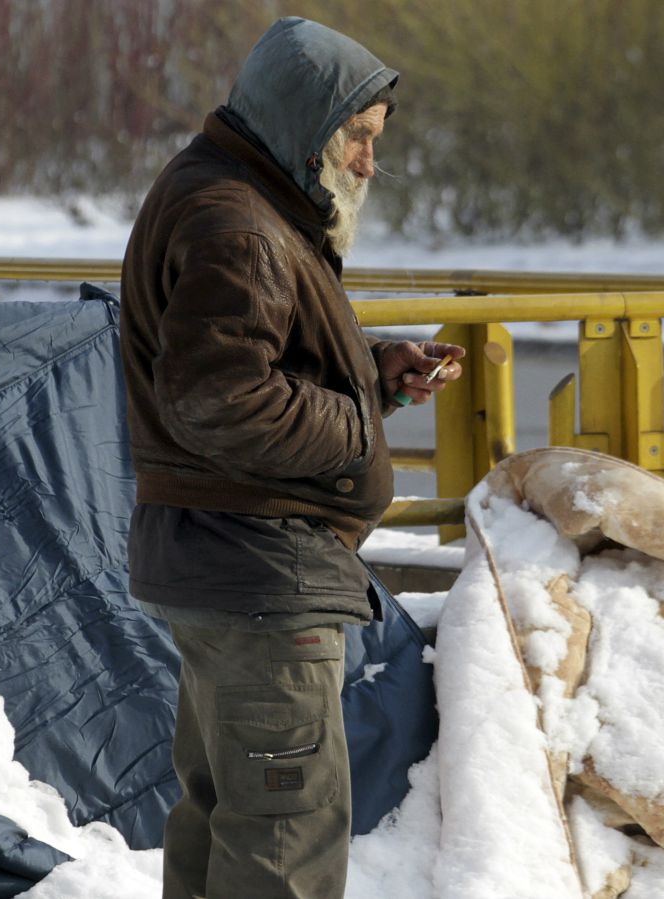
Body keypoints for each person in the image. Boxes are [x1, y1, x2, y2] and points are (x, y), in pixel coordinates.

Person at [118, 16, 464, 899]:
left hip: (221, 563)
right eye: (358, 137)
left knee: (221, 819)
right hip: (260, 573)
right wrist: (357, 425)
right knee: (283, 841)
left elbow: (243, 370)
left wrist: (372, 374)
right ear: (306, 126)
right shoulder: (238, 225)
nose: (369, 163)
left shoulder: (232, 195)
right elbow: (219, 398)